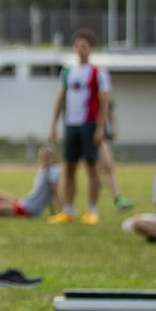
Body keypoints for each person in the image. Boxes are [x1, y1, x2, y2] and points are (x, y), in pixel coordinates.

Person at [47, 29, 111, 225]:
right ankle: (69, 209)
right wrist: (54, 125)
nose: (81, 49)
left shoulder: (98, 72)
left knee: (92, 167)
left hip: (89, 124)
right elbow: (61, 98)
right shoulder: (67, 71)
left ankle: (92, 209)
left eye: (85, 45)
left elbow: (104, 102)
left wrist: (101, 128)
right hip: (71, 125)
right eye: (78, 45)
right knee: (69, 168)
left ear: (91, 48)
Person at [0, 144, 61, 219]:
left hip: (27, 210)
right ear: (39, 158)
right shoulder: (43, 169)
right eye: (44, 156)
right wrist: (52, 212)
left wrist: (62, 212)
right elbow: (50, 194)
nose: (46, 159)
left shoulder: (52, 170)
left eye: (49, 157)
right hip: (23, 203)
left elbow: (56, 192)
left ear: (54, 158)